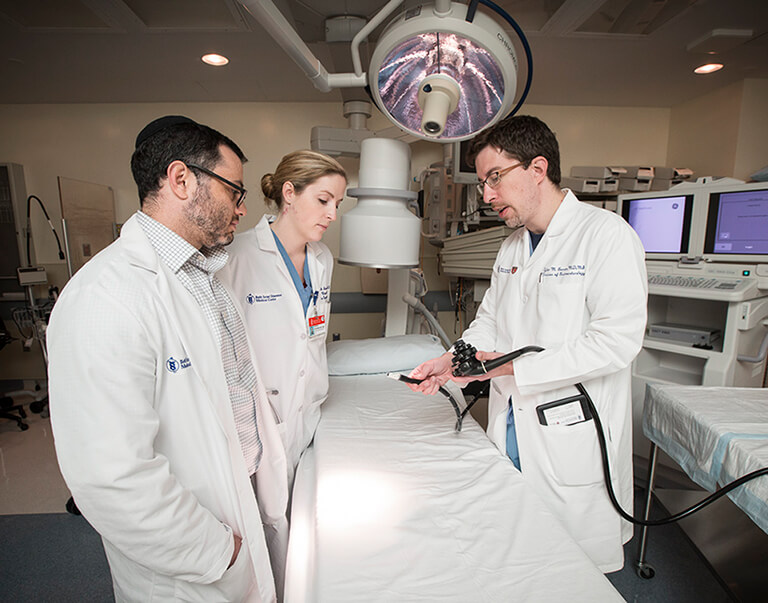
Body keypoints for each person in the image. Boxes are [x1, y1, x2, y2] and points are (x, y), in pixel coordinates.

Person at [47, 115, 288, 602]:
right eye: (233, 191)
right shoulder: (104, 297)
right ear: (181, 180)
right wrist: (218, 551)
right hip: (192, 559)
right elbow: (111, 478)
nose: (242, 209)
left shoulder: (206, 278)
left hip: (239, 509)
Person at [408, 115, 648, 572]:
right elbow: (490, 323)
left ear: (537, 169)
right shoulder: (513, 246)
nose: (487, 195)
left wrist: (511, 367)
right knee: (517, 553)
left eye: (494, 178)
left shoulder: (606, 236)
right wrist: (451, 360)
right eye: (482, 183)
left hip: (571, 428)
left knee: (571, 570)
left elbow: (616, 341)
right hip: (512, 421)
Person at [218, 150, 347, 486]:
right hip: (261, 416)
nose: (332, 214)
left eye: (338, 203)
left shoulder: (322, 259)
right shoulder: (235, 258)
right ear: (289, 193)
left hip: (310, 408)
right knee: (265, 517)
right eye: (323, 200)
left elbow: (311, 335)